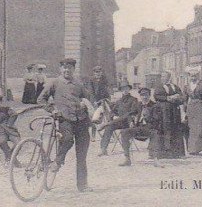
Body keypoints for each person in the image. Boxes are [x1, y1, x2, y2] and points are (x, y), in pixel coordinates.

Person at [37, 58, 95, 192]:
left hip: (82, 121)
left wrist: (85, 101)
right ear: (60, 69)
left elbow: (89, 97)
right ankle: (57, 161)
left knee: (82, 155)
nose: (67, 70)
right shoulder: (54, 83)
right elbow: (41, 99)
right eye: (64, 68)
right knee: (67, 140)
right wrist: (52, 110)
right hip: (65, 120)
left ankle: (83, 185)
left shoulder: (78, 84)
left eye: (70, 68)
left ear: (74, 69)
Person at [119, 87, 162, 166]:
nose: (144, 97)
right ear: (140, 96)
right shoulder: (138, 104)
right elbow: (130, 114)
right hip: (138, 128)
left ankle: (156, 159)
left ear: (149, 95)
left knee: (155, 133)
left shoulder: (155, 105)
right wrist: (131, 121)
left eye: (146, 95)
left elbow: (157, 119)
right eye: (142, 95)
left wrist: (148, 116)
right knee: (124, 132)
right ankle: (127, 158)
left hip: (149, 128)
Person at [98, 85, 140, 156]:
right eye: (123, 89)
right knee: (109, 127)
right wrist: (112, 116)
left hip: (129, 122)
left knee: (110, 124)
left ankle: (105, 124)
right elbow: (113, 111)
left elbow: (133, 112)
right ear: (121, 90)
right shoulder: (119, 101)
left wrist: (118, 118)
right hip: (119, 122)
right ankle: (103, 149)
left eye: (126, 88)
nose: (125, 90)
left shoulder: (134, 100)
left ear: (129, 89)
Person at [153, 72, 185, 158]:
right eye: (162, 76)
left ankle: (178, 153)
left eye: (165, 77)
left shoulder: (175, 87)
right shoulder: (159, 87)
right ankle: (166, 153)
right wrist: (167, 98)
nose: (163, 78)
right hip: (164, 113)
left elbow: (182, 97)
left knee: (176, 130)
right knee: (166, 130)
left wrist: (177, 97)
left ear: (169, 77)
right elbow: (156, 96)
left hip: (175, 112)